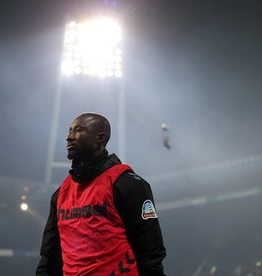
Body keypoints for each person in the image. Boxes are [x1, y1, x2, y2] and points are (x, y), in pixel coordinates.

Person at [36, 113, 167, 276]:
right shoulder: (61, 194)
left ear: (100, 137)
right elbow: (50, 257)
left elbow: (150, 252)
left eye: (78, 130)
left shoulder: (128, 184)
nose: (68, 137)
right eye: (69, 131)